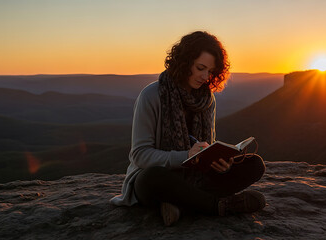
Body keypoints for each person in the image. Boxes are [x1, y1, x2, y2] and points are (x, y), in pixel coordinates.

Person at [110, 31, 266, 226]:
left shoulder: (207, 100)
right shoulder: (151, 96)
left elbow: (207, 147)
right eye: (200, 68)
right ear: (184, 62)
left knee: (254, 164)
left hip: (196, 178)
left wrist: (220, 163)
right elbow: (140, 155)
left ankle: (180, 206)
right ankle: (219, 205)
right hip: (159, 179)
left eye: (210, 71)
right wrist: (186, 156)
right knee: (151, 177)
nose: (205, 76)